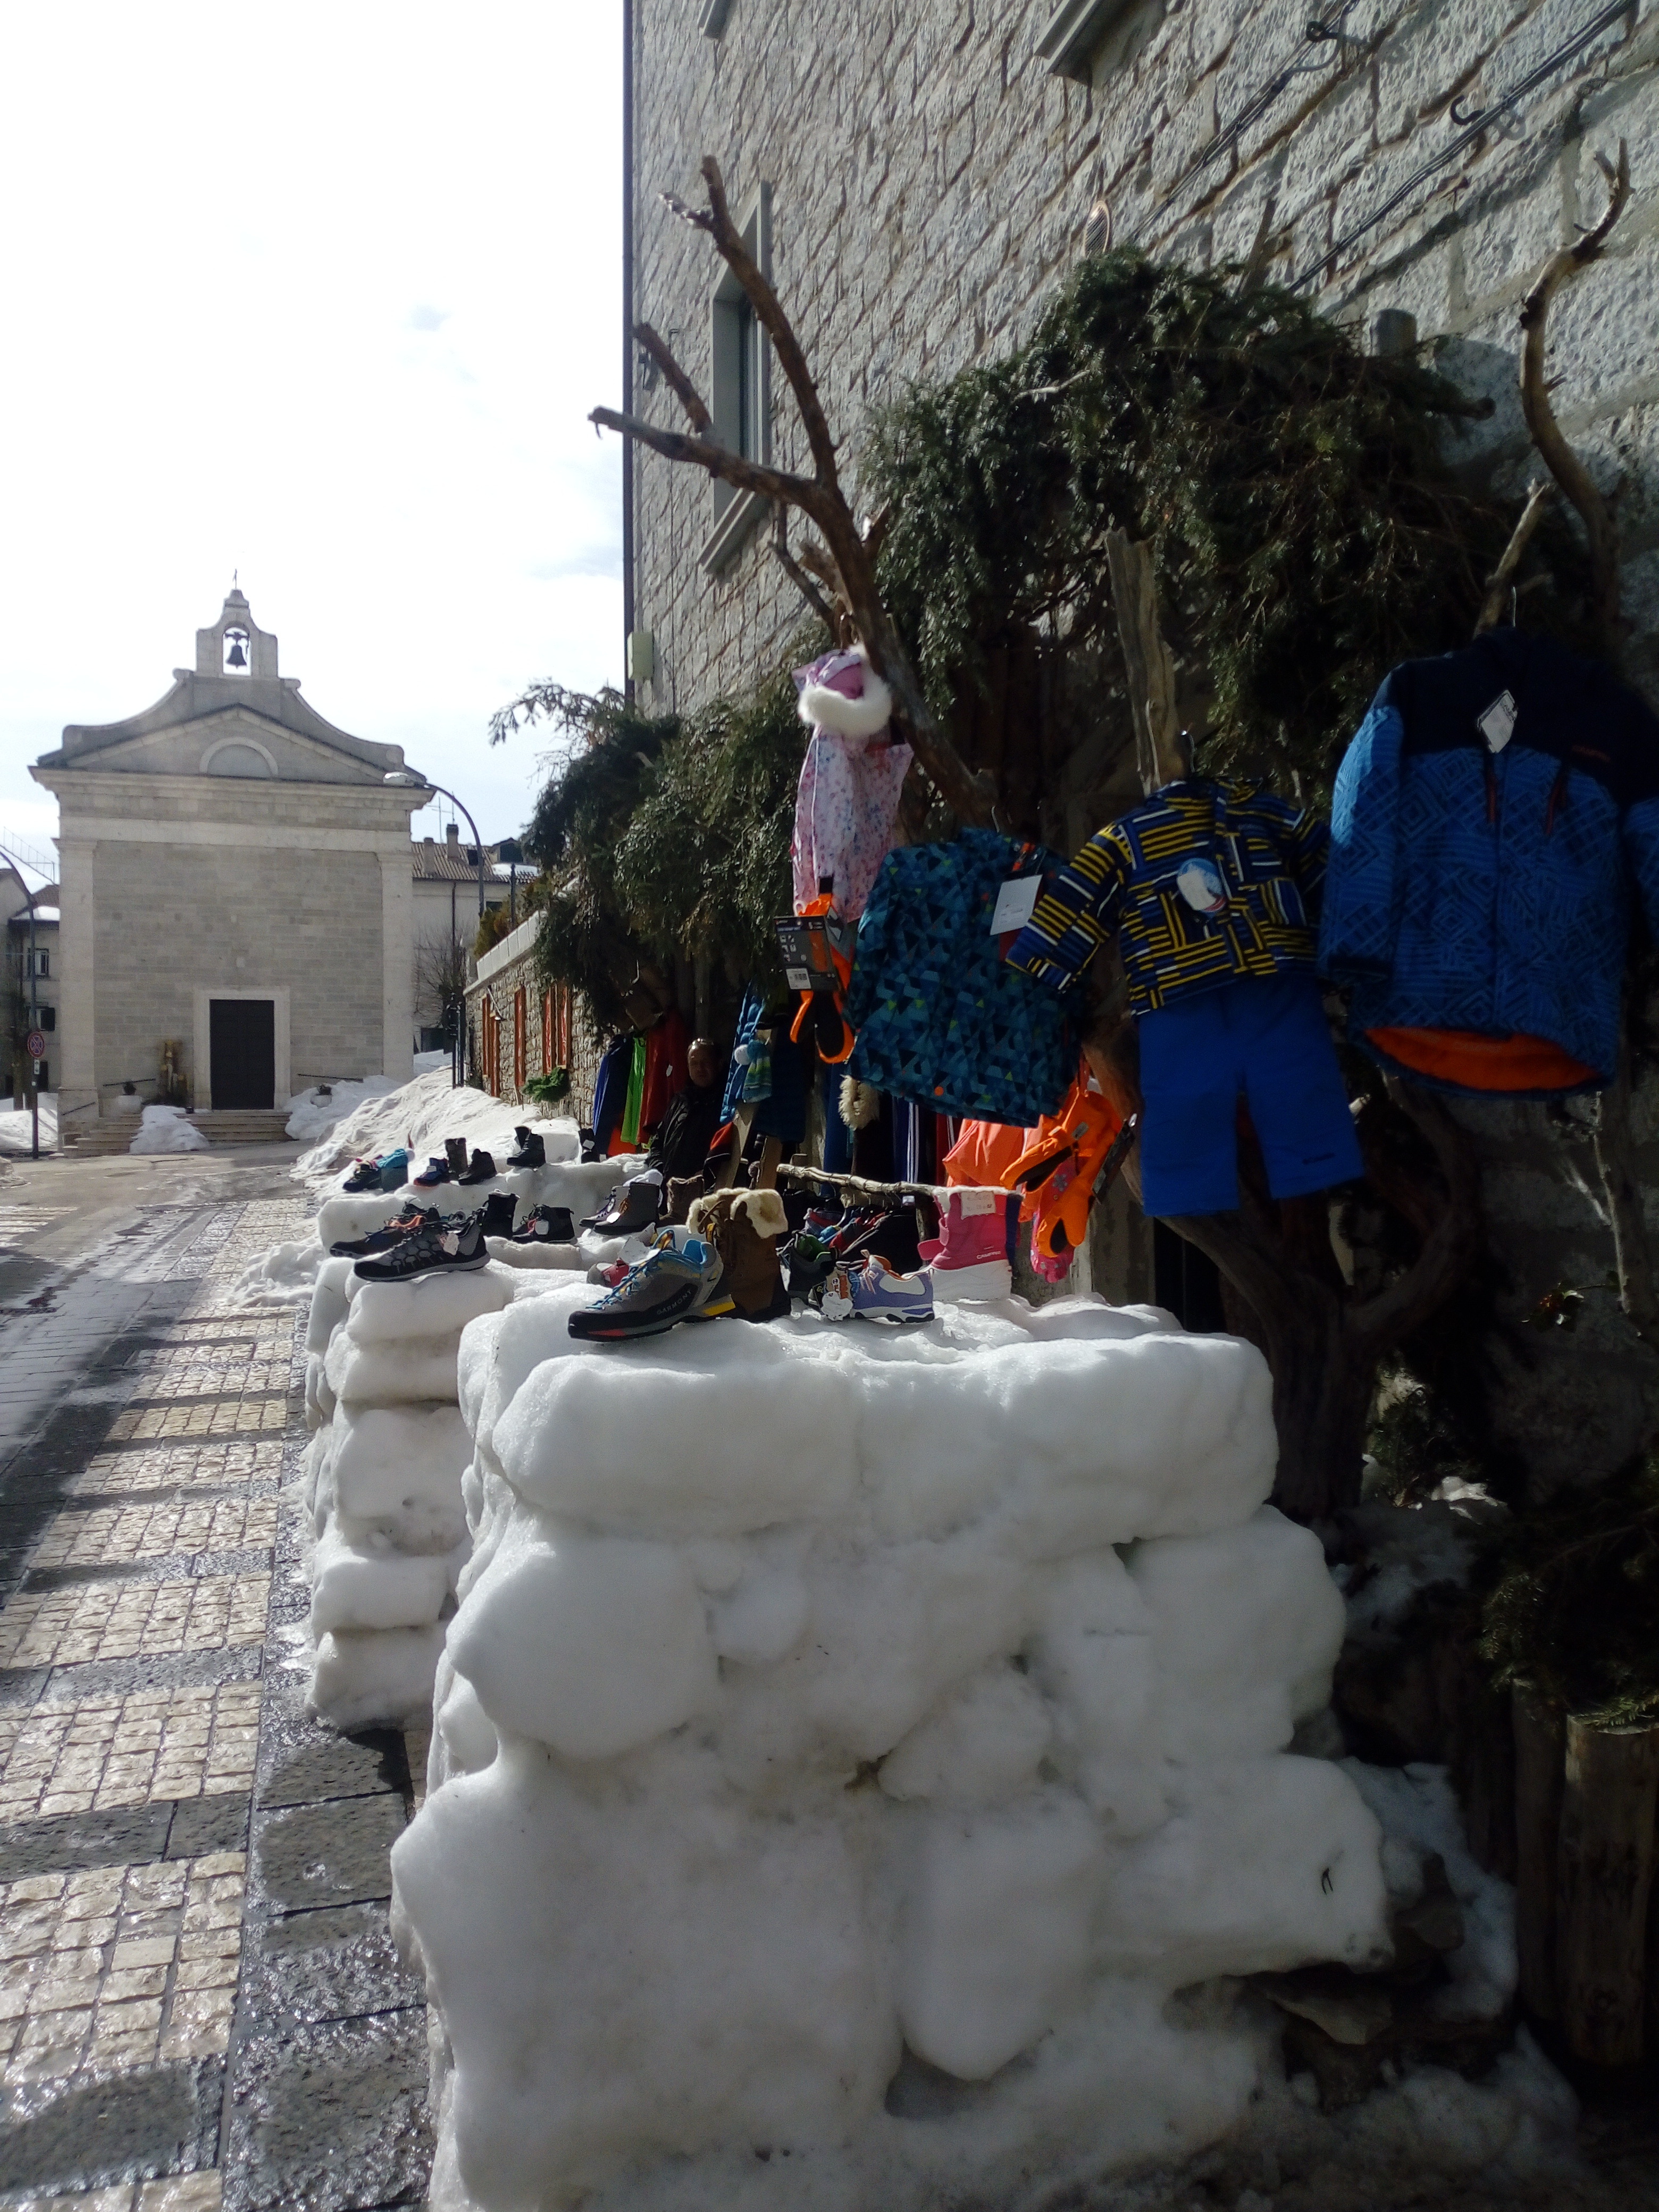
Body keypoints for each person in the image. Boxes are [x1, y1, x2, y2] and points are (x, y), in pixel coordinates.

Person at [647, 1036, 726, 1186]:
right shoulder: (679, 1101)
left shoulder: (725, 1105)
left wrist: (709, 1174)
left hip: (707, 1190)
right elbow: (658, 1142)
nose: (700, 1069)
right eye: (694, 1063)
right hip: (670, 1188)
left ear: (719, 1064)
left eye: (706, 1062)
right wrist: (658, 1169)